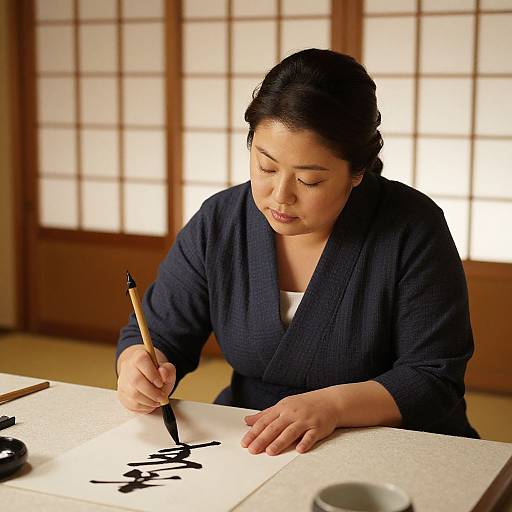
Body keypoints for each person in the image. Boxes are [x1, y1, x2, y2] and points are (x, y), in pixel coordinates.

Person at [116, 48, 479, 456]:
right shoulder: (221, 221)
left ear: (357, 171)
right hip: (255, 435)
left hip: (392, 442)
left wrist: (333, 406)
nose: (280, 196)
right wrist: (137, 366)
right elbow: (160, 333)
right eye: (266, 167)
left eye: (309, 180)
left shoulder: (411, 227)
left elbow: (432, 377)